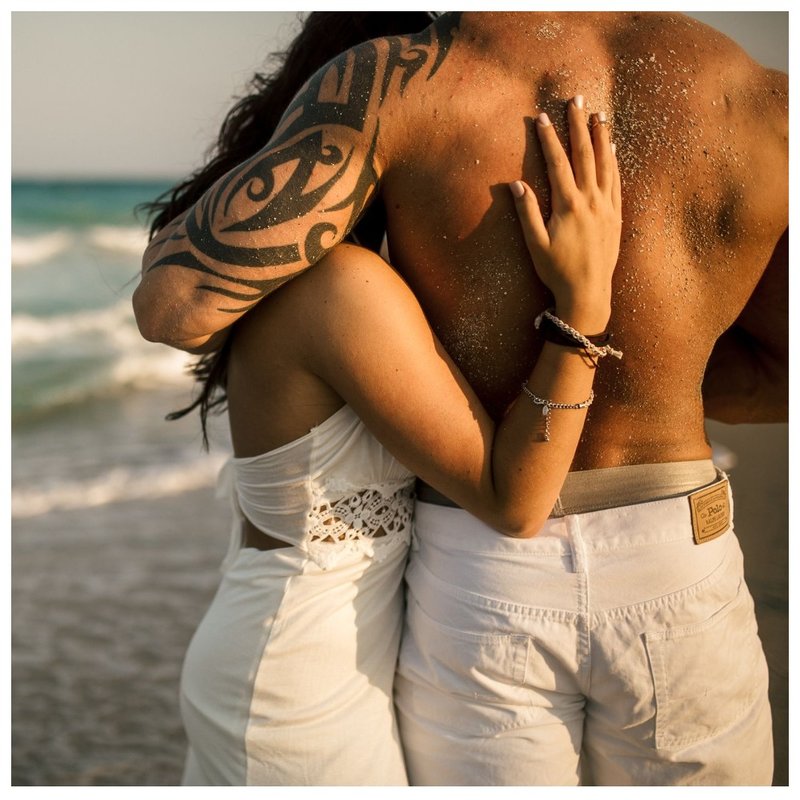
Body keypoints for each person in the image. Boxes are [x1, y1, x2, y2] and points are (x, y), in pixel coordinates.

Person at [133, 12, 788, 785]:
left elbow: (176, 306)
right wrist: (656, 372)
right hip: (680, 562)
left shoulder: (403, 84)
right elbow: (783, 372)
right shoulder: (763, 100)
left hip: (484, 575)